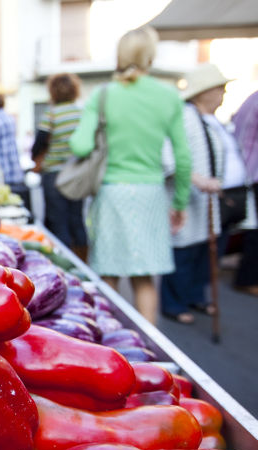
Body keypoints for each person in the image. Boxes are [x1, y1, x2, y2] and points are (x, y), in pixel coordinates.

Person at [69, 26, 191, 325]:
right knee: (144, 276)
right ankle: (149, 353)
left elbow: (79, 144)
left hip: (112, 193)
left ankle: (113, 343)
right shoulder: (168, 96)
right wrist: (180, 202)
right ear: (150, 55)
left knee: (109, 273)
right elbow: (184, 158)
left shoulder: (104, 95)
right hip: (151, 194)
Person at [161, 64, 235, 324]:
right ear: (205, 92)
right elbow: (169, 158)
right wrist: (199, 180)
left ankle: (194, 296)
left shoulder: (209, 121)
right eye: (220, 89)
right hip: (185, 197)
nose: (223, 95)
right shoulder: (182, 116)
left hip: (206, 200)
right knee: (182, 251)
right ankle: (173, 303)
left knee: (203, 249)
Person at [31, 73, 88, 258]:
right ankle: (82, 263)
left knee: (58, 222)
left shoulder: (52, 113)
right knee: (77, 220)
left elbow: (39, 142)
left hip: (54, 175)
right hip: (77, 175)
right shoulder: (81, 113)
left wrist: (35, 157)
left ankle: (64, 265)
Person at [232, 89, 258, 296]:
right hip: (253, 174)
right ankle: (247, 278)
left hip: (250, 172)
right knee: (254, 232)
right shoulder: (255, 100)